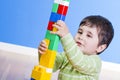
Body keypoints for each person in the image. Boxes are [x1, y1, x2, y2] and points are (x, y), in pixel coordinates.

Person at [38, 15, 114, 80]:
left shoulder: (95, 62)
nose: (81, 37)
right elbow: (51, 66)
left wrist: (66, 36)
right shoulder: (66, 55)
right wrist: (44, 52)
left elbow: (78, 61)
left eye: (89, 35)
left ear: (100, 47)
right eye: (80, 32)